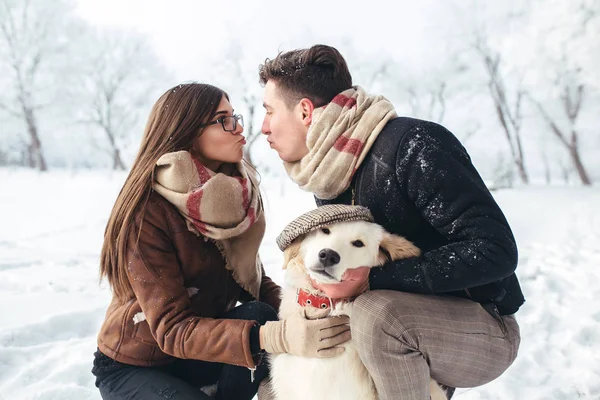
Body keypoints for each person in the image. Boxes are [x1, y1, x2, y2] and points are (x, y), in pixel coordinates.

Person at [258, 45, 525, 400]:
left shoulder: (414, 146)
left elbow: (495, 251)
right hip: (394, 326)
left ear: (305, 111)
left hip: (485, 326)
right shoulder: (333, 172)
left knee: (375, 315)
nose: (263, 128)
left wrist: (372, 279)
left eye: (269, 111)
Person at [92, 82, 351, 400]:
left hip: (201, 354)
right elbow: (172, 331)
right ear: (187, 131)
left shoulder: (231, 198)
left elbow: (252, 283)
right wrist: (278, 336)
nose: (240, 127)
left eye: (236, 116)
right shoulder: (147, 211)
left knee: (260, 313)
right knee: (264, 331)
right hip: (138, 364)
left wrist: (311, 312)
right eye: (224, 120)